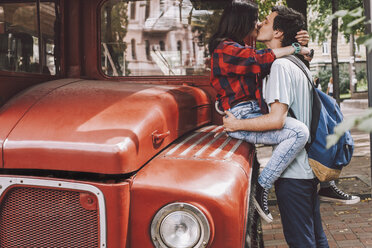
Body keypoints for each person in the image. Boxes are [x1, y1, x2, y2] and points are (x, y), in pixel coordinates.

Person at [223, 6, 329, 247]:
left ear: (279, 32)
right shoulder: (297, 62)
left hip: (293, 172)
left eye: (267, 21)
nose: (260, 24)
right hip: (309, 168)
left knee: (300, 241)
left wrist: (236, 124)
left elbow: (276, 120)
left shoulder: (280, 67)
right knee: (317, 237)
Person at [208, 1, 312, 223]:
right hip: (242, 116)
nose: (257, 24)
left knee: (299, 132)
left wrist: (301, 47)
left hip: (249, 114)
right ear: (242, 21)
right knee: (298, 132)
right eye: (255, 19)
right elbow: (259, 60)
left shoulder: (242, 49)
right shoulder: (225, 49)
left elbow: (267, 60)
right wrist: (295, 48)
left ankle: (263, 185)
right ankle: (262, 186)